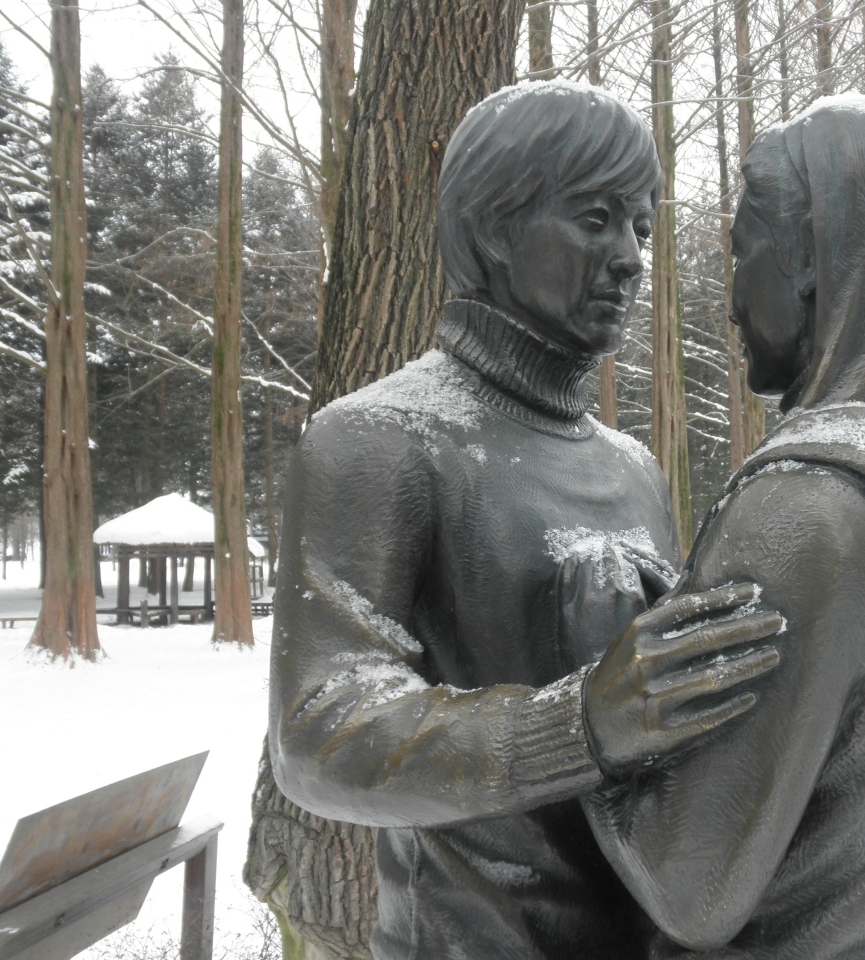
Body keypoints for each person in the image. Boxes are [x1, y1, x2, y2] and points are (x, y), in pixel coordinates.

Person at [268, 83, 782, 960]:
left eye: (642, 230)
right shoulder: (377, 441)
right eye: (594, 219)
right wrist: (582, 722)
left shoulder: (633, 469)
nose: (629, 258)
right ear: (496, 227)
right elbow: (322, 734)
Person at [579, 96, 865, 959]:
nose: (728, 300)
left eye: (743, 248)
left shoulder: (804, 507)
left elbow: (689, 887)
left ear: (814, 265)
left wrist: (589, 687)